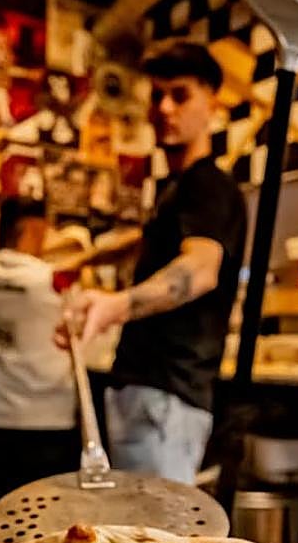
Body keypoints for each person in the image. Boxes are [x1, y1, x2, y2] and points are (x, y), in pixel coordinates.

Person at [57, 43, 246, 484]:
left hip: (168, 395)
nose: (164, 109)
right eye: (156, 97)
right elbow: (141, 238)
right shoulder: (175, 191)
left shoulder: (210, 187)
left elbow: (199, 269)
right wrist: (80, 256)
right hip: (148, 392)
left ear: (212, 103)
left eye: (180, 96)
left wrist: (114, 306)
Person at [0, 199, 80, 501]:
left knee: (0, 507)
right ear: (35, 229)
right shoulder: (50, 280)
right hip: (50, 418)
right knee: (47, 517)